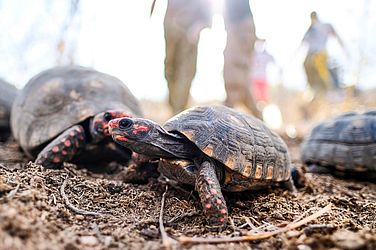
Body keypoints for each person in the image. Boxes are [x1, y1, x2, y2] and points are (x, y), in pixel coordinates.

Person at [163, 0, 262, 119]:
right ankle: (250, 117)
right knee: (236, 77)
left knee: (235, 76)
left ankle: (228, 115)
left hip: (240, 28)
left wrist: (203, 21)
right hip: (233, 27)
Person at [163, 0, 212, 114]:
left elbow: (209, 8)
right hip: (170, 26)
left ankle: (178, 111)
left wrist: (200, 25)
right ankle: (175, 108)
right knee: (169, 70)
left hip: (189, 29)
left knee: (185, 72)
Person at [301, 11, 345, 99]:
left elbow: (336, 35)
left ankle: (331, 89)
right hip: (311, 54)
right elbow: (302, 43)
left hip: (320, 52)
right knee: (306, 65)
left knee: (322, 70)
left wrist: (344, 48)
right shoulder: (310, 30)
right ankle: (314, 88)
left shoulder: (325, 26)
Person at [250, 39, 275, 106]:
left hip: (263, 78)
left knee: (264, 97)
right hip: (254, 78)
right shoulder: (253, 54)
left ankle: (262, 109)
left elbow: (274, 60)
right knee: (255, 96)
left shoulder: (266, 54)